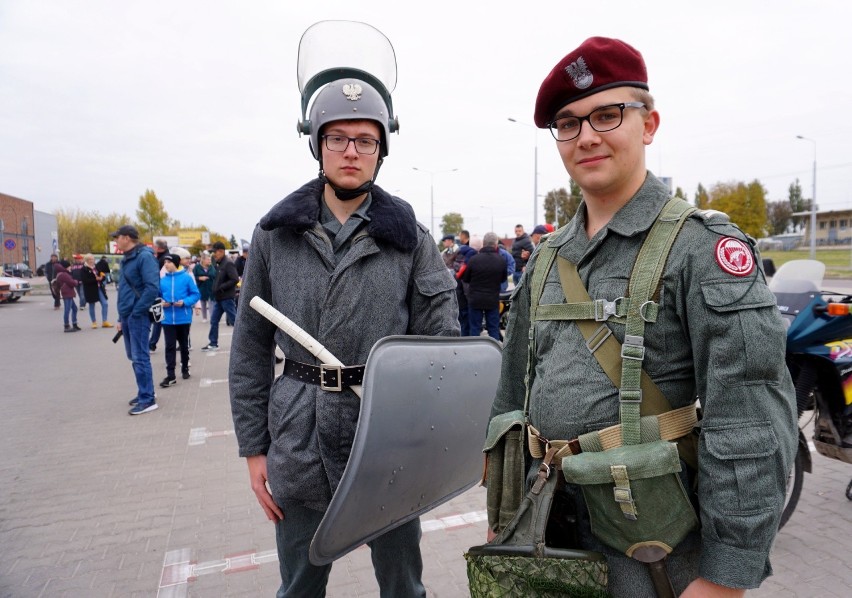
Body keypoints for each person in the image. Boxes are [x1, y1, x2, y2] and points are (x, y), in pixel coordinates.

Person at [485, 37, 797, 597]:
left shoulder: (701, 249)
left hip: (653, 551)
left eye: (608, 115)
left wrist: (726, 577)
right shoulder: (548, 257)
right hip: (551, 531)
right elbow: (513, 393)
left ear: (648, 124)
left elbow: (749, 416)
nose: (587, 136)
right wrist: (506, 513)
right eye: (569, 123)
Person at [228, 73, 459, 598]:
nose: (351, 151)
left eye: (366, 140)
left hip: (384, 436)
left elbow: (440, 345)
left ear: (381, 149)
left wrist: (424, 443)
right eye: (337, 137)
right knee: (300, 585)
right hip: (298, 435)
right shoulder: (275, 235)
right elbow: (249, 350)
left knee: (404, 587)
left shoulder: (409, 238)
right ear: (317, 142)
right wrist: (253, 449)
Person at [112, 225, 161, 415]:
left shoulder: (144, 257)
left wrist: (136, 313)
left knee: (140, 357)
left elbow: (151, 288)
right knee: (133, 356)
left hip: (137, 316)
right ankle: (145, 391)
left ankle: (147, 399)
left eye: (117, 237)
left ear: (127, 238)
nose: (116, 241)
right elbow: (125, 290)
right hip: (128, 316)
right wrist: (121, 317)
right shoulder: (127, 258)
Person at [159, 254, 200, 387]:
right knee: (169, 346)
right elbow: (157, 296)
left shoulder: (186, 278)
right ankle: (170, 375)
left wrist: (184, 303)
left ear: (175, 264)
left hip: (183, 317)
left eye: (169, 262)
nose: (166, 264)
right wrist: (162, 302)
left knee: (183, 345)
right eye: (165, 262)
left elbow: (195, 294)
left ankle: (185, 369)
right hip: (168, 319)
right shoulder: (162, 280)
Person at [461, 232, 506, 340]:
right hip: (492, 299)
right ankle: (494, 354)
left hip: (475, 300)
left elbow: (466, 278)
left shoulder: (474, 260)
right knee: (493, 330)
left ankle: (473, 353)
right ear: (496, 244)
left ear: (483, 244)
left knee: (475, 329)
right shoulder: (500, 260)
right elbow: (503, 279)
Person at [201, 241, 238, 351]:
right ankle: (213, 343)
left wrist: (222, 287)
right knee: (214, 320)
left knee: (234, 321)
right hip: (219, 298)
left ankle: (244, 342)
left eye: (215, 252)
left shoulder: (228, 263)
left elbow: (235, 279)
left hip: (226, 297)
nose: (213, 254)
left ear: (221, 251)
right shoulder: (219, 263)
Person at [452, 229, 477, 336]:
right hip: (466, 294)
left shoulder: (459, 254)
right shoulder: (471, 253)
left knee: (461, 320)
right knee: (467, 320)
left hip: (458, 292)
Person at [148, 239, 170, 352]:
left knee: (157, 318)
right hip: (160, 290)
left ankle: (152, 344)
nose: (153, 248)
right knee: (157, 318)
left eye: (154, 246)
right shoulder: (163, 257)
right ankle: (152, 343)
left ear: (159, 248)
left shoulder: (163, 259)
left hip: (160, 291)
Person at [81, 253, 112, 328]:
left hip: (99, 288)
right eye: (90, 259)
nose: (92, 261)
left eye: (93, 259)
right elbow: (85, 280)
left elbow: (102, 275)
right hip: (90, 289)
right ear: (86, 260)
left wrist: (102, 277)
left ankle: (104, 321)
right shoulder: (84, 269)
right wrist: (96, 279)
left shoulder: (96, 267)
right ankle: (94, 322)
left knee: (105, 303)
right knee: (92, 305)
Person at [53, 261, 81, 332]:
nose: (70, 267)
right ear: (65, 267)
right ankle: (67, 326)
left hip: (68, 293)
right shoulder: (64, 274)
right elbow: (72, 283)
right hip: (67, 293)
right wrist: (76, 281)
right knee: (67, 310)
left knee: (74, 308)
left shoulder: (61, 273)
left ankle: (74, 324)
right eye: (69, 266)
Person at [193, 252, 216, 322]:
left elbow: (215, 275)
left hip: (210, 287)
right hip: (201, 288)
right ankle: (204, 317)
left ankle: (212, 317)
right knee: (203, 303)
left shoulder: (212, 267)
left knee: (211, 302)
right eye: (208, 259)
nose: (210, 261)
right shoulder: (197, 267)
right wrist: (199, 278)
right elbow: (193, 277)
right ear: (203, 260)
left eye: (210, 260)